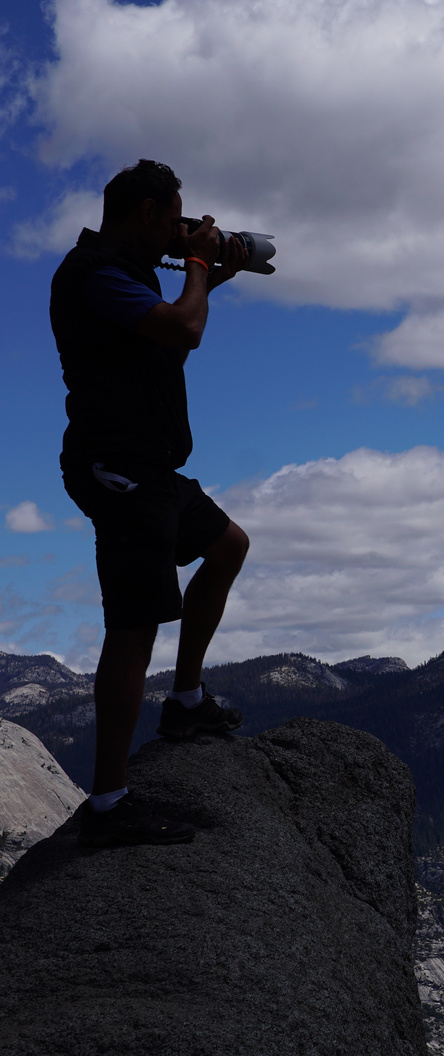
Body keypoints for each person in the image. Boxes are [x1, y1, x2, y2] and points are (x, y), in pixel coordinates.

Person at [52, 159, 252, 847]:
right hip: (117, 468)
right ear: (145, 213)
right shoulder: (95, 272)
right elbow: (184, 331)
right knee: (136, 628)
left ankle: (186, 703)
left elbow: (172, 339)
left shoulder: (131, 277)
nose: (179, 230)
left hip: (153, 466)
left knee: (228, 546)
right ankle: (108, 804)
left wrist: (208, 274)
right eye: (173, 218)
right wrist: (197, 263)